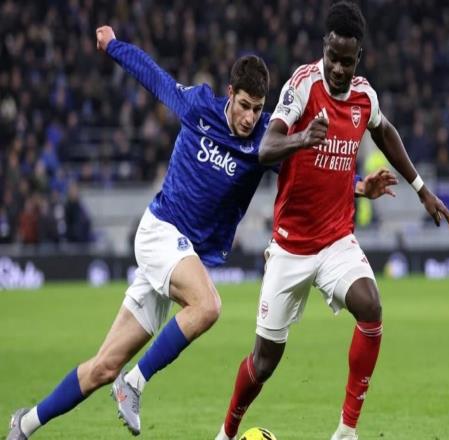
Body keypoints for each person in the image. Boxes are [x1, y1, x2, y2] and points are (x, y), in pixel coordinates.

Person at [6, 24, 397, 440]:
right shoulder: (198, 107)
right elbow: (154, 77)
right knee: (208, 306)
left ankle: (24, 424)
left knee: (102, 366)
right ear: (229, 94)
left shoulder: (264, 141)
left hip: (183, 254)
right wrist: (113, 45)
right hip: (160, 231)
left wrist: (359, 187)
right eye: (243, 105)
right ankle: (134, 382)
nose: (249, 117)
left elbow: (310, 177)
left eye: (256, 109)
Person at [214, 2, 449, 440]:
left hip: (336, 241)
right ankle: (227, 432)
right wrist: (303, 138)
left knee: (371, 307)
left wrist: (421, 189)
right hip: (290, 246)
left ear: (358, 56)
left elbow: (384, 131)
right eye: (333, 57)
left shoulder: (364, 96)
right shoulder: (303, 86)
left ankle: (346, 430)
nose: (339, 69)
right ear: (324, 46)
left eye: (348, 60)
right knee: (264, 362)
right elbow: (266, 148)